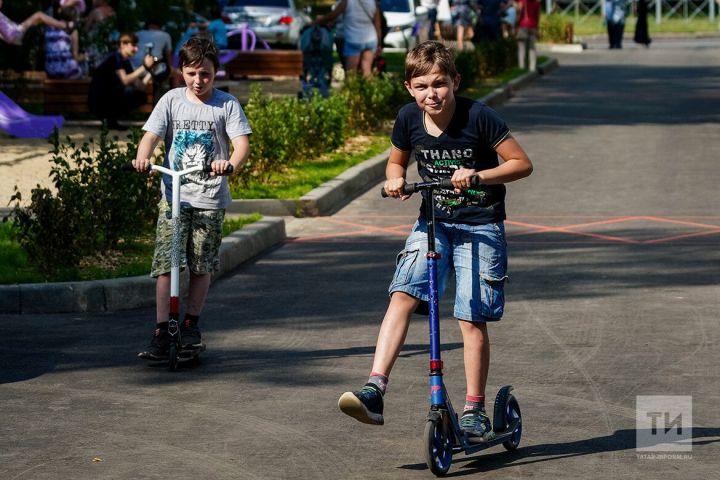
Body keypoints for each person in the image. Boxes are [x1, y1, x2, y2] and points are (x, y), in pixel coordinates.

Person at [337, 41, 533, 439]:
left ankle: (474, 407)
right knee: (403, 295)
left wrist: (477, 175)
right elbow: (397, 159)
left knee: (470, 316)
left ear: (455, 82)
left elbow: (521, 164)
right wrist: (394, 178)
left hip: (479, 226)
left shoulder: (479, 116)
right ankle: (375, 388)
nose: (432, 94)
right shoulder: (408, 118)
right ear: (409, 88)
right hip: (433, 222)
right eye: (422, 86)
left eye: (440, 84)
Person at [132, 36, 252, 361]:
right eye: (191, 74)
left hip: (209, 198)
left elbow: (241, 143)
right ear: (181, 70)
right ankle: (161, 330)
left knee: (201, 264)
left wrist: (229, 164)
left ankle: (190, 325)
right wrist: (143, 157)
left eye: (206, 75)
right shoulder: (171, 100)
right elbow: (151, 137)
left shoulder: (226, 104)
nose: (198, 81)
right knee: (165, 265)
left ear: (216, 73)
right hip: (174, 198)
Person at [87, 32, 154, 129]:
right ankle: (109, 119)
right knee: (128, 91)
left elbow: (140, 86)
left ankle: (111, 121)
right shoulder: (116, 57)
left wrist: (150, 72)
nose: (136, 49)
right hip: (99, 100)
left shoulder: (126, 62)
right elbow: (125, 80)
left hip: (109, 97)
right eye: (133, 45)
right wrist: (144, 67)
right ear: (123, 44)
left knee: (141, 96)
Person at [316, 0, 383, 78]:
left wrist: (318, 21)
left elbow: (333, 16)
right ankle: (368, 89)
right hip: (371, 39)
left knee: (351, 73)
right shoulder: (373, 2)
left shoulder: (347, 1)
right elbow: (377, 25)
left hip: (353, 39)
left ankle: (352, 89)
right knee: (367, 71)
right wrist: (379, 43)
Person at [132, 16, 173, 102]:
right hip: (153, 67)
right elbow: (168, 55)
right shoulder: (165, 35)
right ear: (159, 27)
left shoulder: (138, 33)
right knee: (165, 79)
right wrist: (169, 69)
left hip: (135, 67)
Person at [0, 0, 75, 45]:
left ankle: (62, 27)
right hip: (15, 33)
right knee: (39, 15)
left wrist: (4, 38)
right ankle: (65, 25)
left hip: (14, 31)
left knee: (39, 19)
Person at [44, 5, 86, 78]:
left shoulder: (50, 28)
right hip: (67, 71)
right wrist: (84, 57)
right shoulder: (73, 31)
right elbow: (75, 58)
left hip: (50, 70)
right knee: (83, 68)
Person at [515, 0, 540, 71]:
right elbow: (537, 16)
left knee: (521, 48)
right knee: (532, 48)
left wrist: (515, 25)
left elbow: (518, 15)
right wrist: (537, 28)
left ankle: (521, 67)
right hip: (533, 26)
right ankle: (532, 67)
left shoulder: (522, 2)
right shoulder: (537, 3)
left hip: (522, 26)